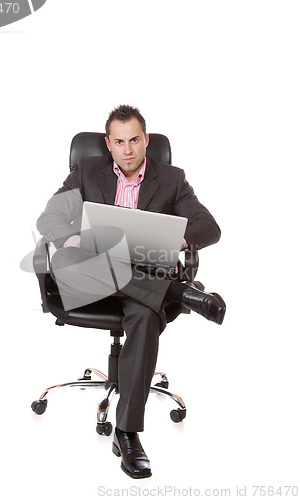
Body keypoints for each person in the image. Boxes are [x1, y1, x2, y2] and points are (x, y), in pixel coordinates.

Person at [36, 105, 226, 479]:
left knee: (143, 315)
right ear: (108, 144)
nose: (127, 149)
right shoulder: (86, 173)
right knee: (79, 264)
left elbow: (210, 226)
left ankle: (126, 432)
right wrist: (75, 238)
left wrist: (180, 241)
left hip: (141, 288)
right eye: (119, 142)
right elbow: (49, 218)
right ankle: (179, 293)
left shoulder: (171, 180)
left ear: (146, 141)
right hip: (87, 278)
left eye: (134, 140)